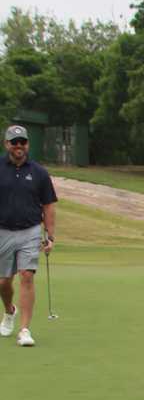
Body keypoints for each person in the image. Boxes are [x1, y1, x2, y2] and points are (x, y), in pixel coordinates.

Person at [0, 126, 58, 348]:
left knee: (26, 275)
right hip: (3, 231)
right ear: (6, 144)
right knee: (3, 282)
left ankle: (24, 330)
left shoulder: (39, 172)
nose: (19, 146)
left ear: (27, 144)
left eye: (22, 142)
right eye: (14, 142)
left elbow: (48, 205)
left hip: (30, 231)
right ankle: (9, 311)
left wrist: (50, 235)